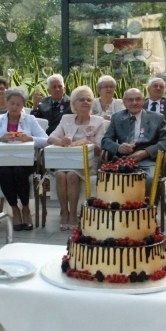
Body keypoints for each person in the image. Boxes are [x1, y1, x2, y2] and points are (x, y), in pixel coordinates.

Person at [0, 87, 49, 231]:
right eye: (12, 103)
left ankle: (25, 208)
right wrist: (0, 138)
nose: (15, 107)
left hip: (24, 160)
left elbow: (46, 140)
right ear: (6, 103)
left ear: (23, 105)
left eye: (18, 104)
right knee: (5, 173)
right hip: (2, 161)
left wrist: (29, 138)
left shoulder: (30, 120)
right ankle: (14, 209)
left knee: (19, 172)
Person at [47, 86, 105, 230]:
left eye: (89, 99)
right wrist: (62, 142)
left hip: (88, 163)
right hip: (65, 161)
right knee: (61, 175)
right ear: (73, 104)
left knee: (72, 175)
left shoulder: (99, 121)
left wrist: (88, 142)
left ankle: (73, 214)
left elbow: (99, 149)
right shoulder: (66, 119)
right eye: (81, 99)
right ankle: (64, 213)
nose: (85, 102)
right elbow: (51, 137)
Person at [102, 87, 166, 188]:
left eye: (138, 99)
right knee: (108, 178)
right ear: (124, 102)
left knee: (150, 179)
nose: (134, 102)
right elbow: (106, 141)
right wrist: (118, 148)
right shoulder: (116, 118)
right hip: (123, 160)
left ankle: (148, 204)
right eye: (130, 100)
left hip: (148, 160)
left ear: (144, 101)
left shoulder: (157, 118)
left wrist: (146, 152)